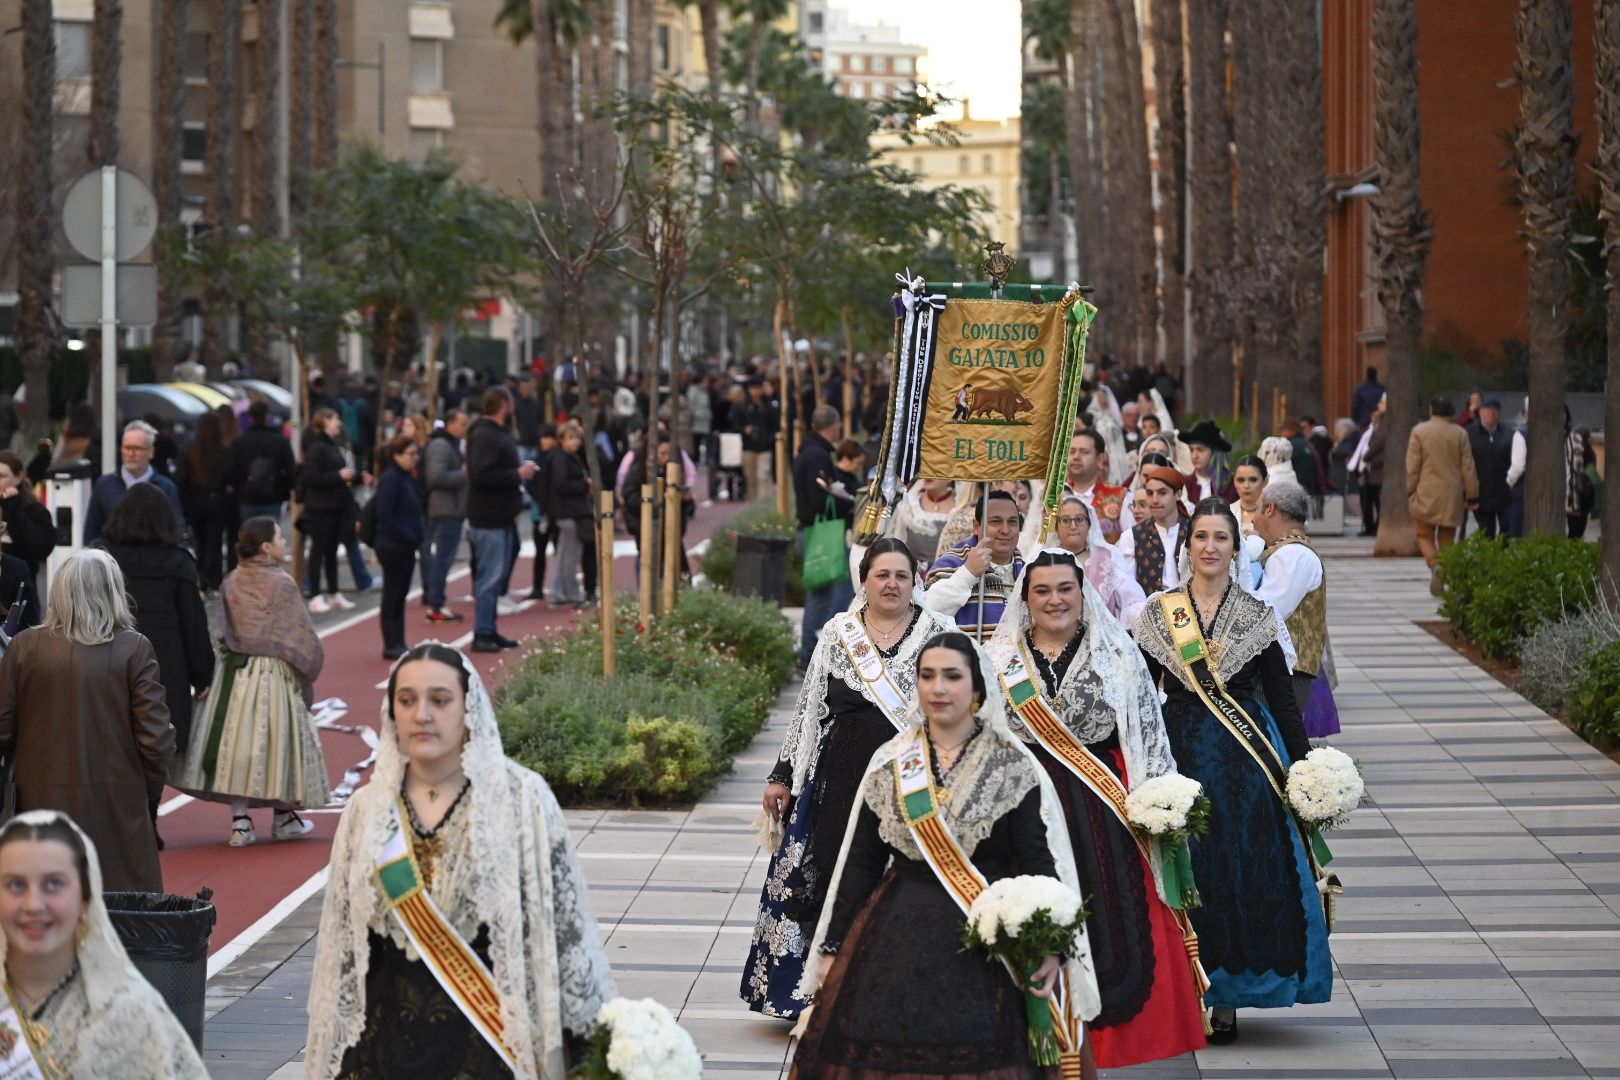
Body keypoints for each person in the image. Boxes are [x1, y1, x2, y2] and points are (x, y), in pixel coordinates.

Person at [791, 631, 1101, 1079]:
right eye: (928, 676)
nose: (938, 689)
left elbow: (1038, 863)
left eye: (952, 677)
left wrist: (1050, 948)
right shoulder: (892, 762)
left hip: (984, 945)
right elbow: (860, 862)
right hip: (894, 934)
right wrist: (832, 948)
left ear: (976, 687)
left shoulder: (1011, 765)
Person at [306, 644, 618, 1078]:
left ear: (468, 708)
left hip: (487, 1046)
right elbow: (343, 941)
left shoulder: (520, 800)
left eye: (440, 699)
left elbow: (566, 934)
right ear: (391, 712)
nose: (422, 715)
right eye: (407, 700)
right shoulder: (367, 811)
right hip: (383, 1050)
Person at [987, 551, 1207, 1068]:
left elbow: (1147, 731)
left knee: (1114, 920)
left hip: (1102, 808)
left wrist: (1160, 802)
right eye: (1041, 591)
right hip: (1029, 811)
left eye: (1065, 588)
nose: (1054, 600)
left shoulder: (1117, 652)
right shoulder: (1000, 660)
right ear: (1026, 598)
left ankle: (1112, 1044)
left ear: (1083, 592)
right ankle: (1041, 1035)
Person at [1132, 499, 1332, 1044]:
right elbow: (1138, 694)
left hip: (1247, 764)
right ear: (1188, 546)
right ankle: (1184, 988)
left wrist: (1306, 765)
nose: (1210, 547)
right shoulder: (1159, 614)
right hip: (1180, 754)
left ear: (1235, 549)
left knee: (1241, 870)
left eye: (1222, 538)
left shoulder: (1257, 615)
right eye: (1201, 537)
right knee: (1186, 866)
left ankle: (1229, 996)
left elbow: (1282, 700)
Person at [745, 539, 957, 1019]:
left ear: (915, 580)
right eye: (882, 575)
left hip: (910, 778)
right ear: (864, 580)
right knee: (831, 876)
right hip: (837, 779)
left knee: (896, 881)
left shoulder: (939, 633)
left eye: (901, 575)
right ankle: (819, 989)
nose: (891, 584)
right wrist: (783, 775)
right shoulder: (839, 634)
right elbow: (807, 710)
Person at [0, 549, 173, 891]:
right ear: (113, 592)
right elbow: (154, 738)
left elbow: (3, 728)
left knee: (44, 908)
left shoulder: (23, 647)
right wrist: (147, 789)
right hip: (116, 800)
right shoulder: (134, 648)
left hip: (37, 800)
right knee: (121, 911)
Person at [0, 811, 210, 1077]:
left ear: (86, 898)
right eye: (15, 885)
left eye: (53, 884)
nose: (33, 905)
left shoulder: (131, 1015)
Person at [173, 516, 328, 847]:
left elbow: (223, 627)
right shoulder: (283, 583)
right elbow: (300, 634)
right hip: (273, 674)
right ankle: (284, 817)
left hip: (233, 672)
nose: (285, 543)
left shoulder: (231, 580)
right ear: (267, 548)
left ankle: (240, 822)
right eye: (280, 539)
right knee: (278, 743)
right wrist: (306, 666)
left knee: (235, 746)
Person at [96, 483, 215, 752]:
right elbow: (193, 626)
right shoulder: (179, 563)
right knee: (155, 749)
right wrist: (202, 675)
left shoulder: (101, 557)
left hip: (105, 661)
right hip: (163, 668)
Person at [1250, 482, 1339, 739]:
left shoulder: (1293, 555)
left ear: (1270, 509)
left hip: (1284, 674)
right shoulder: (1285, 551)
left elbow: (1265, 612)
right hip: (1277, 671)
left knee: (1273, 744)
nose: (1253, 521)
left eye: (1256, 510)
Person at [466, 388, 540, 652]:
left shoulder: (495, 433)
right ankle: (482, 632)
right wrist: (517, 474)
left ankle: (489, 628)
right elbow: (482, 474)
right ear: (503, 405)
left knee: (496, 575)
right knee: (489, 577)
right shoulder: (486, 434)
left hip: (502, 515)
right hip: (489, 517)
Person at [793, 406, 855, 667]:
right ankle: (813, 656)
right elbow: (819, 498)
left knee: (819, 596)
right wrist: (847, 504)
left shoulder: (806, 451)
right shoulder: (818, 455)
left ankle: (810, 654)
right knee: (829, 596)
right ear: (833, 425)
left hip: (810, 531)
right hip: (821, 534)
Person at [924, 489, 1025, 636]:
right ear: (976, 526)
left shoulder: (1028, 571)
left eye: (1012, 522)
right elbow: (927, 612)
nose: (1005, 530)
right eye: (996, 521)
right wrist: (968, 574)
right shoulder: (952, 563)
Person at [1407, 394, 1478, 596]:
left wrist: (1410, 488)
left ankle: (1435, 565)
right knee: (1448, 536)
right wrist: (1472, 494)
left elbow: (1413, 466)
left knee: (1423, 533)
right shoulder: (1460, 433)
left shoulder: (1419, 432)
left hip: (1425, 491)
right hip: (1451, 494)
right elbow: (1468, 467)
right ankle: (1445, 566)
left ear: (1431, 410)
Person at [82, 420, 184, 546]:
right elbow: (91, 531)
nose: (131, 453)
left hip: (153, 561)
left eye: (137, 448)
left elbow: (176, 530)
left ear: (151, 452)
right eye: (127, 447)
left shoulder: (166, 487)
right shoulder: (104, 485)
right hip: (114, 561)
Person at [1052, 495, 1147, 623]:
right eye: (1065, 520)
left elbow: (1132, 600)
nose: (1073, 526)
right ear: (1056, 527)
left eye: (1079, 519)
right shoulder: (1045, 560)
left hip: (1104, 636)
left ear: (1089, 524)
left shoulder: (1108, 555)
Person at [300, 409, 359, 614]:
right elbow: (311, 477)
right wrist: (338, 475)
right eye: (334, 419)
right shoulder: (317, 447)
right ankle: (315, 594)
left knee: (332, 550)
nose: (338, 423)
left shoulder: (331, 446)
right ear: (324, 422)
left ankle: (334, 592)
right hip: (320, 507)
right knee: (318, 550)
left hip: (335, 505)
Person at [374, 435, 424, 661]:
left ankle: (399, 640)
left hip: (404, 545)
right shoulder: (391, 479)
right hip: (393, 545)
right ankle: (391, 643)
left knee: (400, 593)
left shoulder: (404, 478)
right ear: (397, 455)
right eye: (410, 454)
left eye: (416, 454)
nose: (415, 458)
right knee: (393, 594)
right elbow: (385, 514)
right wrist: (408, 536)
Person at [176, 410, 233, 591]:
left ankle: (200, 576)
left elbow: (180, 479)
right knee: (214, 543)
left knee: (199, 542)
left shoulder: (188, 450)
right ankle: (212, 579)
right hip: (217, 503)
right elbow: (230, 478)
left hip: (195, 502)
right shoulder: (223, 452)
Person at [422, 408, 470, 624]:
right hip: (445, 509)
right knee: (442, 558)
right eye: (462, 423)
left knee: (443, 558)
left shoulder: (450, 444)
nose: (465, 428)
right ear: (450, 424)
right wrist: (464, 474)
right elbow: (435, 477)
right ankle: (436, 604)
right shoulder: (441, 445)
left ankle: (436, 601)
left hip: (451, 508)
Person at [1117, 465, 1189, 597]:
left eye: (1162, 493)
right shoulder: (1132, 536)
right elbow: (1127, 587)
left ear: (1178, 494)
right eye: (1150, 493)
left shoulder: (1194, 532)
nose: (1155, 500)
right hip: (1148, 610)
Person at [542, 421, 592, 611]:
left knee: (565, 553)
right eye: (571, 438)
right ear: (561, 440)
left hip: (566, 511)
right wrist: (585, 486)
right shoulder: (562, 459)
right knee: (571, 554)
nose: (576, 442)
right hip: (569, 511)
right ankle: (572, 593)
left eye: (578, 438)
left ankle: (559, 592)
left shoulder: (567, 457)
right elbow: (561, 485)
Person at [229, 398, 298, 524]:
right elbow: (291, 469)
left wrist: (239, 490)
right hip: (274, 496)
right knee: (271, 534)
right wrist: (286, 491)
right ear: (267, 416)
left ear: (250, 417)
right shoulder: (280, 441)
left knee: (250, 536)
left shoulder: (239, 442)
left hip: (247, 497)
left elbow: (232, 470)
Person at [1066, 429, 1128, 544]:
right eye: (1072, 451)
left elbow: (1131, 543)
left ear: (1099, 460)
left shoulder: (1122, 496)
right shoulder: (1056, 496)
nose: (1076, 457)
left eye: (1084, 452)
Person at [0, 450, 55, 577]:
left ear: (18, 477)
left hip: (19, 588)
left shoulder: (33, 510)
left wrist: (12, 510)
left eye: (1, 476)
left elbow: (40, 549)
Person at [1466, 396, 1513, 539]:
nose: (1491, 414)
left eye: (1495, 411)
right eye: (1487, 410)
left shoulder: (1508, 433)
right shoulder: (1469, 433)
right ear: (1480, 412)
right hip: (1481, 492)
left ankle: (1503, 556)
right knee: (1486, 531)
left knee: (1508, 527)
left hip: (1504, 492)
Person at [1346, 394, 1387, 536]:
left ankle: (1376, 527)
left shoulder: (1384, 425)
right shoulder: (1371, 429)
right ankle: (1369, 526)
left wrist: (1367, 457)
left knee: (1377, 501)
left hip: (1377, 469)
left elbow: (1378, 446)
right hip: (1368, 470)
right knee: (1367, 500)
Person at [737, 379, 778, 498]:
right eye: (753, 388)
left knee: (762, 476)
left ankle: (762, 504)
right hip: (748, 447)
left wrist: (769, 440)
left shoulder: (769, 405)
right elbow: (734, 422)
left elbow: (776, 425)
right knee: (750, 478)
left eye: (758, 388)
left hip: (764, 448)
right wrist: (744, 429)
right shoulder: (744, 406)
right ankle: (752, 504)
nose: (756, 391)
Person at [1182, 419, 1236, 504]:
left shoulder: (1232, 485)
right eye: (1191, 450)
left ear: (1214, 453)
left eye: (1200, 450)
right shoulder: (1185, 484)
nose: (1194, 456)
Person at [1568, 420, 1597, 539]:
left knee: (1573, 530)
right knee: (1579, 530)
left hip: (1574, 497)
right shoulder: (1589, 452)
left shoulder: (1574, 451)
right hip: (1584, 497)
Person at [1230, 454, 1269, 537]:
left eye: (1253, 480)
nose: (1246, 485)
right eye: (1241, 480)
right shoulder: (1227, 512)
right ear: (1234, 481)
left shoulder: (1273, 514)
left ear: (1265, 481)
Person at [1350, 365, 1385, 431]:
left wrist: (1355, 419)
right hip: (1379, 420)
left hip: (1364, 421)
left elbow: (1355, 406)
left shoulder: (1360, 388)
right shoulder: (1382, 388)